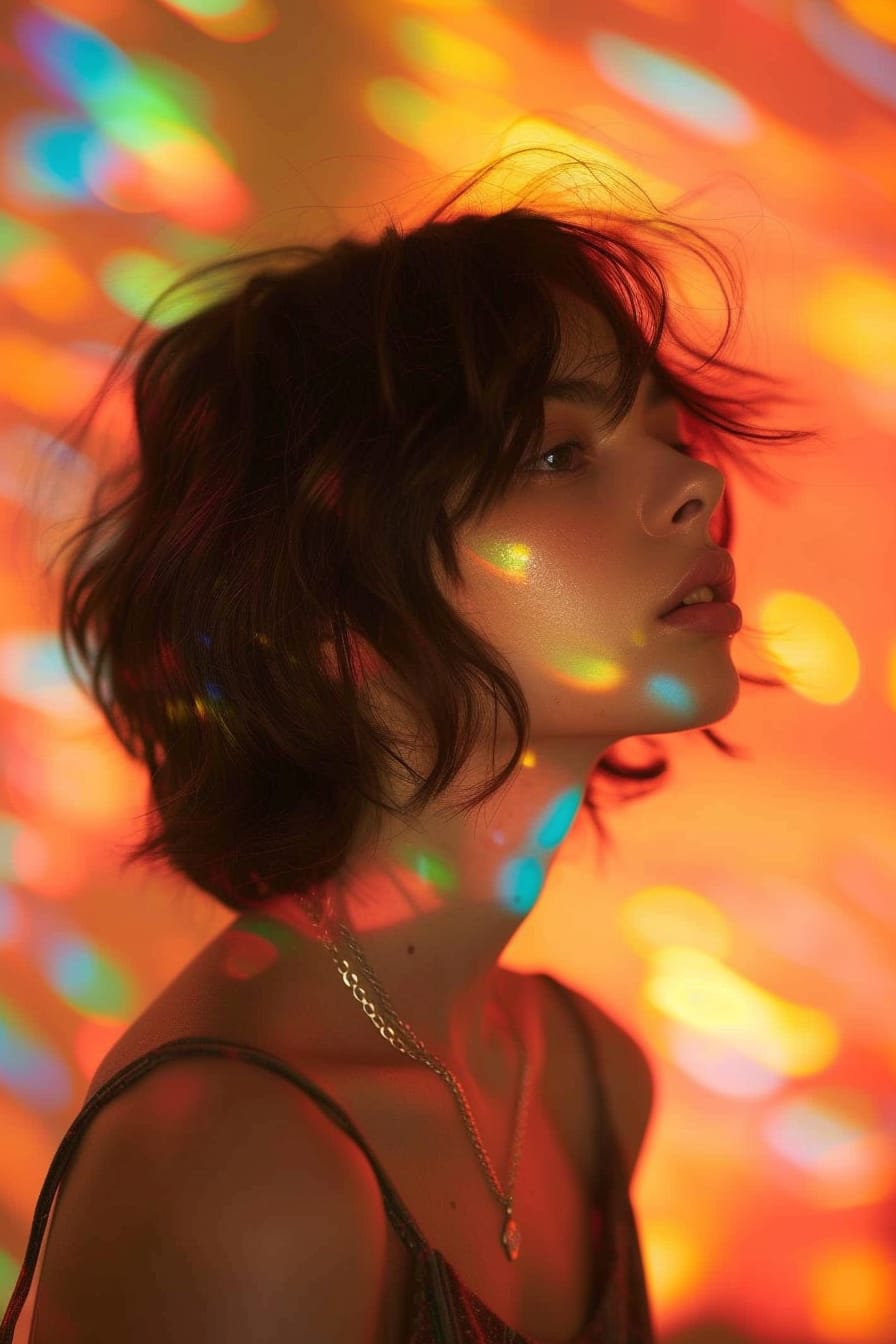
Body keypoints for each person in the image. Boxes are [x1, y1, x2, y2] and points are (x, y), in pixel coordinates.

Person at [1, 147, 816, 1343]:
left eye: (666, 431)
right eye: (555, 454)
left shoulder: (585, 1078)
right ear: (324, 602)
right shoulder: (247, 1176)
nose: (692, 482)